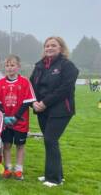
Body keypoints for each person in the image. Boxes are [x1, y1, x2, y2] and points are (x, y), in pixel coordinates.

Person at [30, 36, 79, 187]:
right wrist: (34, 103)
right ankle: (56, 175)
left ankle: (53, 179)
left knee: (50, 140)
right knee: (50, 141)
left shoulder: (68, 66)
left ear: (61, 48)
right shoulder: (39, 66)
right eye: (47, 46)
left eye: (53, 45)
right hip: (42, 109)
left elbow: (64, 89)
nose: (49, 48)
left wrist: (45, 102)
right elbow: (30, 86)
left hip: (61, 109)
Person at [0, 54, 36, 180]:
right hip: (6, 122)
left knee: (20, 146)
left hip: (20, 122)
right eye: (7, 65)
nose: (10, 68)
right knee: (6, 145)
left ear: (18, 67)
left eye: (12, 65)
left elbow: (28, 101)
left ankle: (19, 170)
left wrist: (16, 117)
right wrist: (5, 116)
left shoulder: (24, 82)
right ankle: (8, 168)